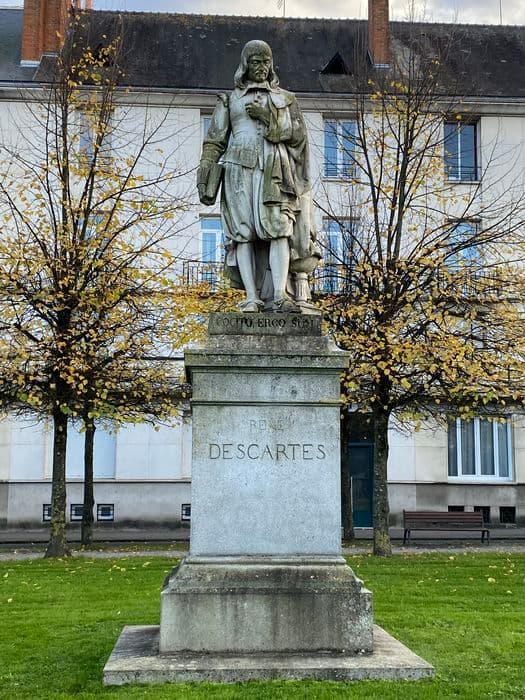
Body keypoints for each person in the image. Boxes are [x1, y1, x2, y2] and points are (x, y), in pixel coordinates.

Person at [197, 40, 320, 313]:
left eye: (266, 61)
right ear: (245, 64)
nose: (261, 67)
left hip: (274, 168)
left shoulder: (286, 99)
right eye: (255, 62)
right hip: (238, 168)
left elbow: (299, 136)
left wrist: (267, 117)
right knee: (243, 233)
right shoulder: (230, 99)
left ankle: (279, 294)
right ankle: (251, 297)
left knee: (279, 228)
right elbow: (215, 140)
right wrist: (205, 171)